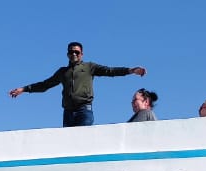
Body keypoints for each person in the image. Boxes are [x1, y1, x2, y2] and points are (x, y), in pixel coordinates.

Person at [9, 42, 147, 127]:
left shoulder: (89, 67)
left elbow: (110, 71)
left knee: (83, 140)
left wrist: (131, 70)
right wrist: (24, 89)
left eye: (77, 52)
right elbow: (45, 85)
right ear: (67, 54)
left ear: (82, 54)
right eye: (71, 52)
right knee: (69, 144)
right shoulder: (63, 72)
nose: (74, 54)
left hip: (84, 110)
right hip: (68, 112)